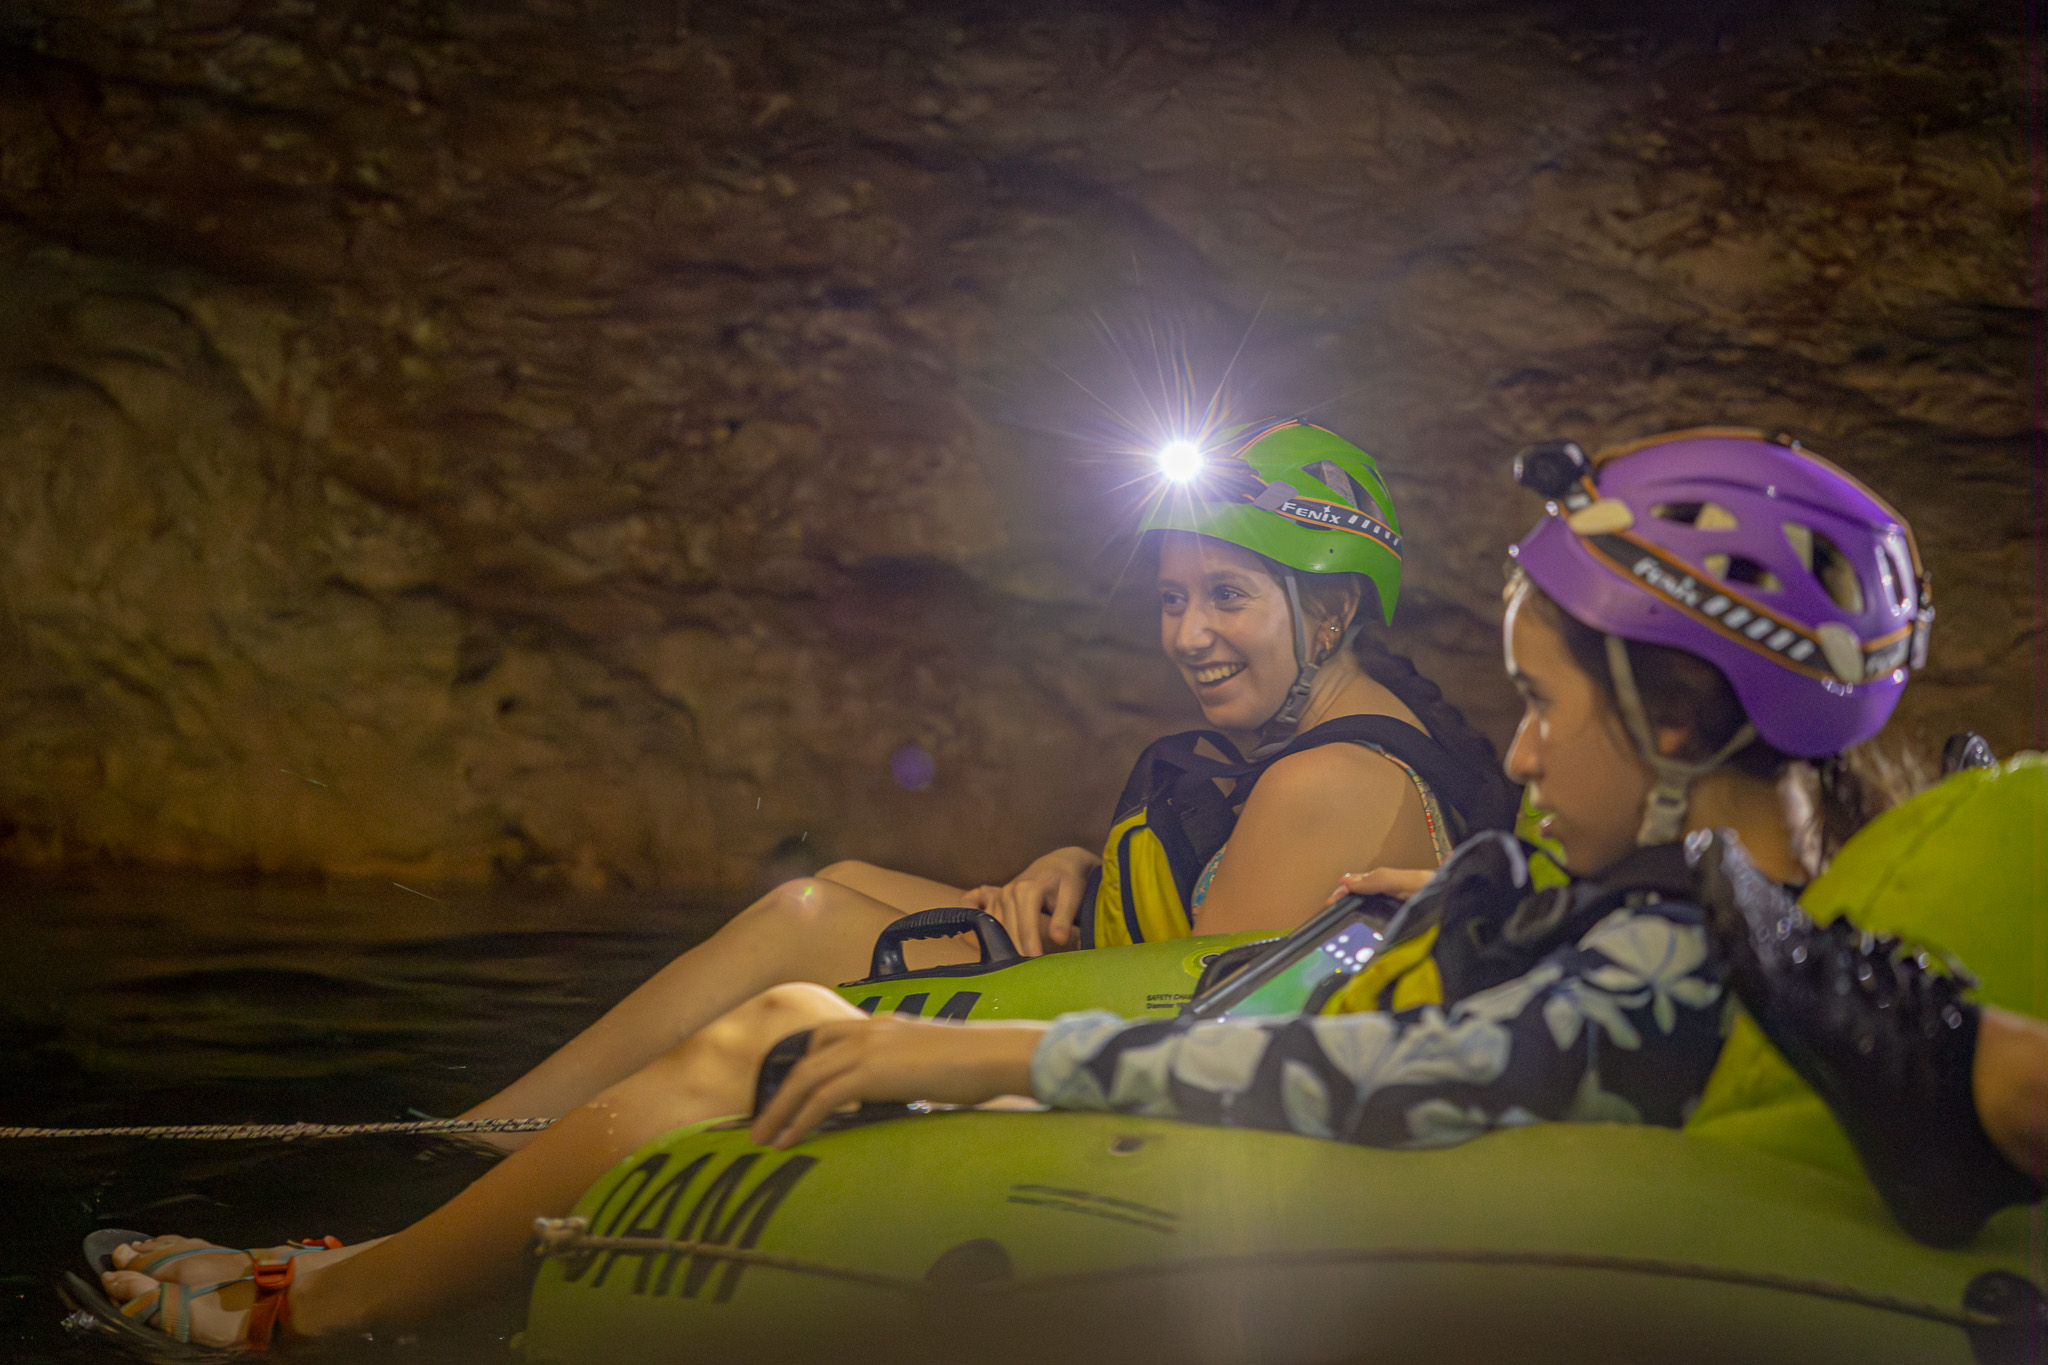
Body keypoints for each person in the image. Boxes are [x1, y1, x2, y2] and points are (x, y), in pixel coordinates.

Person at [93, 428, 2039, 1351]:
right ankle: (408, 1234)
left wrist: (978, 1064)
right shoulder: (1726, 909)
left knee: (780, 1024)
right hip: (1321, 1001)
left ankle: (313, 1299)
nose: (1516, 750)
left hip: (1268, 1075)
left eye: (1540, 708)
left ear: (1678, 716)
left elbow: (1386, 1083)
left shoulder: (1715, 939)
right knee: (809, 965)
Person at [454, 418, 1515, 1133]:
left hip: (1162, 1098)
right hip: (1130, 1005)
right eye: (1170, 598)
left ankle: (484, 1149)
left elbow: (1184, 1034)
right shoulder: (1353, 739)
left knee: (807, 924)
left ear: (1329, 611)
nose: (1187, 634)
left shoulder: (1326, 781)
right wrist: (1075, 866)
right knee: (832, 890)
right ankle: (496, 1136)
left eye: (1226, 595)